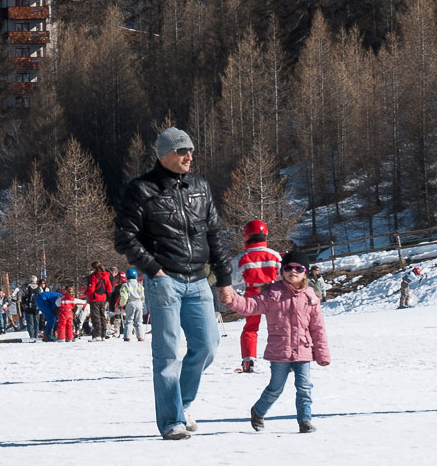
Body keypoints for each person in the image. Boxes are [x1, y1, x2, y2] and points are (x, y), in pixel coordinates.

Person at [115, 127, 233, 440]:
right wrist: (154, 271)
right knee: (167, 352)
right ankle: (172, 422)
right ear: (165, 154)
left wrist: (224, 279)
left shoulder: (200, 186)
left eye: (190, 151)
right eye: (182, 152)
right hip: (164, 280)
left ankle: (183, 403)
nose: (189, 157)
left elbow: (214, 236)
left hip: (198, 280)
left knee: (208, 345)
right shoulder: (141, 189)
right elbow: (125, 237)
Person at [220, 250, 329, 433]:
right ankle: (258, 411)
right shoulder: (273, 293)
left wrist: (322, 352)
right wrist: (233, 300)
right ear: (282, 270)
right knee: (275, 388)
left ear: (305, 272)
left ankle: (305, 420)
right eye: (288, 267)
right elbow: (251, 306)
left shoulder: (311, 296)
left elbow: (317, 328)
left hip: (303, 349)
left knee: (304, 387)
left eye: (298, 268)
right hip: (280, 350)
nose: (292, 271)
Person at [236, 220, 282, 373]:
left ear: (246, 236)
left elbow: (233, 279)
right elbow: (283, 276)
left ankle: (248, 360)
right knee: (279, 327)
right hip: (274, 295)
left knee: (250, 328)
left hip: (253, 297)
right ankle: (284, 359)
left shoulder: (243, 258)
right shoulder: (275, 256)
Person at [84, 263, 114, 341]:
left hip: (94, 299)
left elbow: (91, 289)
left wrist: (85, 293)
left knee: (95, 317)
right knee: (102, 316)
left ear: (94, 268)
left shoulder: (94, 277)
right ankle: (103, 335)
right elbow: (109, 288)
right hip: (103, 298)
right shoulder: (106, 276)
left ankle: (97, 335)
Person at [120, 270, 146, 342]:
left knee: (129, 320)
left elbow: (124, 297)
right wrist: (142, 303)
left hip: (130, 303)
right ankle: (140, 336)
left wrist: (121, 304)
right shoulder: (139, 285)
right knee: (139, 321)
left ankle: (127, 336)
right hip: (139, 302)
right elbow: (143, 296)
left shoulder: (125, 285)